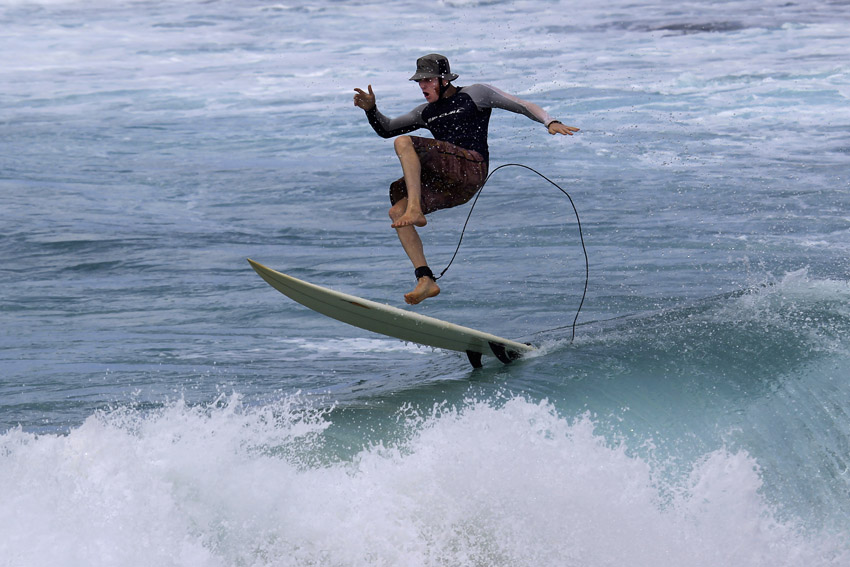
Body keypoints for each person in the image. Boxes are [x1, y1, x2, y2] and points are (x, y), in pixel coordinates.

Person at [353, 53, 579, 305]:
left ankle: (416, 209)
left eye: (428, 80)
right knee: (397, 212)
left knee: (404, 143)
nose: (423, 86)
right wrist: (371, 110)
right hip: (453, 186)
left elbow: (521, 104)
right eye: (419, 82)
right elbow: (387, 129)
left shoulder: (475, 94)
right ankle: (425, 279)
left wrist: (550, 121)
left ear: (444, 80)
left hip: (471, 167)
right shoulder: (425, 112)